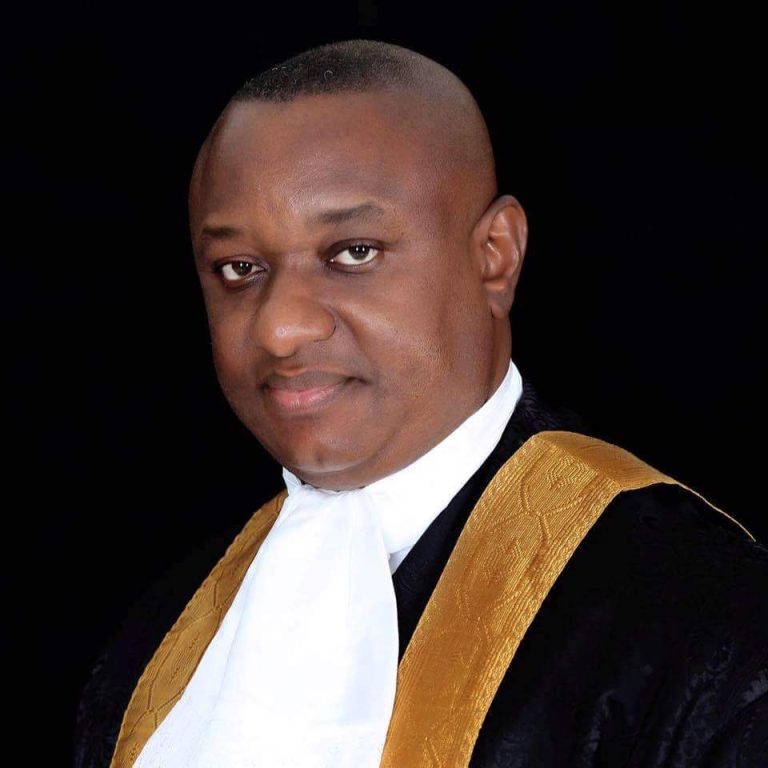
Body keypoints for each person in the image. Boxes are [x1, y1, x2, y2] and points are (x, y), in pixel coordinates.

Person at [74, 39, 767, 768]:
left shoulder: (699, 623)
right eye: (239, 268)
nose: (280, 328)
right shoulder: (162, 639)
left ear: (495, 255)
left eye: (354, 252)